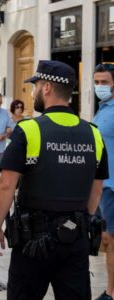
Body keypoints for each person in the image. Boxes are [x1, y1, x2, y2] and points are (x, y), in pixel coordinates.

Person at [0, 60, 108, 300]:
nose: (32, 93)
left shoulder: (29, 130)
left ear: (46, 88)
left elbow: (5, 183)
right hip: (74, 239)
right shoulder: (93, 133)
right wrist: (79, 218)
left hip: (32, 241)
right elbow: (97, 187)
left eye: (35, 86)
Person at [92, 63, 114, 300]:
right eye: (96, 82)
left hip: (113, 186)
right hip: (102, 185)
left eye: (104, 82)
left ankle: (111, 292)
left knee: (111, 242)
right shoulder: (102, 109)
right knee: (105, 240)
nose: (99, 86)